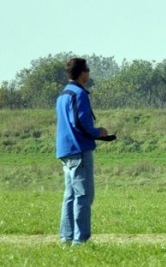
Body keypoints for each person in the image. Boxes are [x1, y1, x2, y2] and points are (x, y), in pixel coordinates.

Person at [56, 57, 110, 245]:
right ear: (82, 73)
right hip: (79, 150)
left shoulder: (62, 95)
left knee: (70, 196)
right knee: (84, 196)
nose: (89, 73)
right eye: (87, 70)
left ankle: (66, 238)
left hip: (65, 151)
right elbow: (79, 122)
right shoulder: (79, 94)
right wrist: (98, 133)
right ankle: (81, 241)